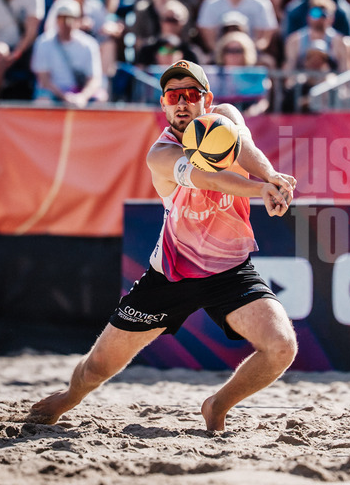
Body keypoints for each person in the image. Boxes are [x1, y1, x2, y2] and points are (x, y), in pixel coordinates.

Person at [26, 60, 298, 431]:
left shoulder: (227, 118)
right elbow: (208, 179)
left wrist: (271, 177)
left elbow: (244, 146)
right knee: (96, 368)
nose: (182, 102)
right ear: (164, 104)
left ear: (207, 99)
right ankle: (68, 398)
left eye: (190, 94)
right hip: (171, 274)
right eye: (174, 96)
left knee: (282, 347)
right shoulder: (162, 153)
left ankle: (217, 406)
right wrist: (260, 189)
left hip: (230, 270)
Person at [31, 0, 105, 107]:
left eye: (70, 18)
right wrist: (64, 96)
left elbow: (94, 79)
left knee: (101, 98)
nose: (66, 23)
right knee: (43, 101)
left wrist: (83, 96)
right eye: (62, 18)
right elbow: (44, 80)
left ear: (78, 20)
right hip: (53, 92)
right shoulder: (43, 43)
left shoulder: (89, 44)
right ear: (56, 20)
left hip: (79, 92)